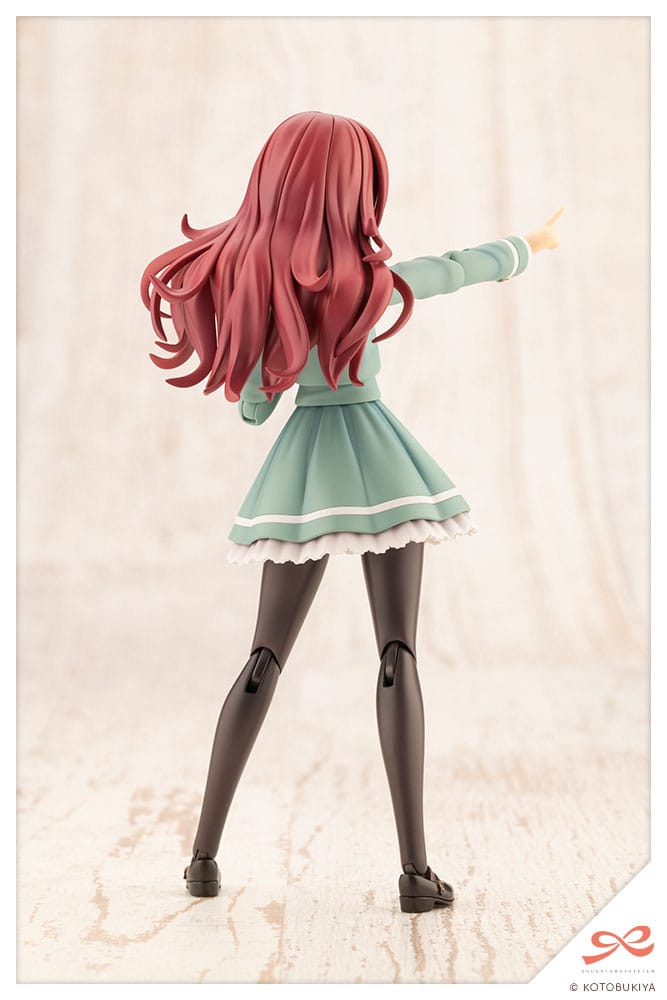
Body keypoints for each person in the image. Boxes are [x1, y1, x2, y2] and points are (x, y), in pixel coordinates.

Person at [141, 111, 562, 912]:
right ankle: (415, 874)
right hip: (380, 465)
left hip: (301, 475)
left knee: (263, 658)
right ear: (356, 191)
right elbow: (452, 268)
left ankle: (201, 858)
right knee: (397, 649)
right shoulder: (369, 284)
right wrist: (527, 246)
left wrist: (266, 355)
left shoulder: (261, 289)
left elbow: (254, 411)